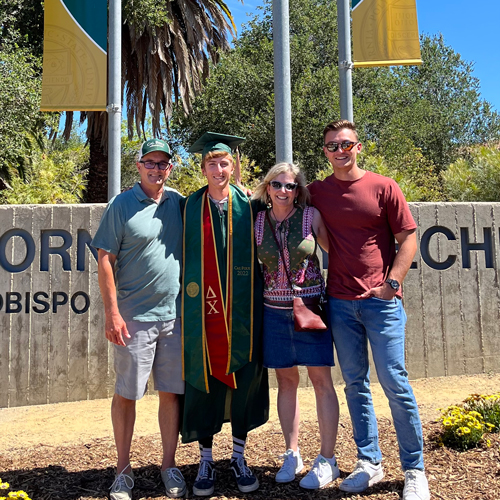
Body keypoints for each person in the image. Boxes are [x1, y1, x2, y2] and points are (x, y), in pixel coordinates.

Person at [308, 119, 430, 500]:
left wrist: (392, 284)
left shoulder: (383, 186)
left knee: (396, 383)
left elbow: (408, 237)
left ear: (358, 147)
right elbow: (276, 197)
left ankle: (414, 470)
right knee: (355, 385)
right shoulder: (316, 192)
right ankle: (369, 462)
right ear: (325, 151)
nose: (339, 150)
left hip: (381, 305)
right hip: (341, 303)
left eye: (346, 144)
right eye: (332, 145)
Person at [92, 139, 186, 500]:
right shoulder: (121, 204)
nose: (156, 169)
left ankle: (168, 465)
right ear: (138, 165)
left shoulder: (178, 202)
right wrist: (113, 313)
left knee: (170, 394)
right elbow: (104, 259)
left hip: (175, 317)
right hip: (134, 318)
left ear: (170, 168)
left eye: (163, 163)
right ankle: (122, 469)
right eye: (150, 162)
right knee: (127, 394)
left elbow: (219, 206)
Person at [181, 132, 269, 496]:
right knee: (203, 382)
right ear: (202, 168)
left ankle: (238, 456)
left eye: (224, 163)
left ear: (234, 166)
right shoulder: (186, 207)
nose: (218, 169)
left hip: (245, 314)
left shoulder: (252, 205)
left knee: (245, 379)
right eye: (211, 164)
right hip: (202, 317)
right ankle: (205, 460)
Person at [252, 163, 341, 490]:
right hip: (273, 312)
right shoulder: (258, 221)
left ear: (298, 189)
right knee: (286, 381)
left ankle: (327, 458)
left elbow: (336, 250)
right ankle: (292, 453)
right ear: (268, 187)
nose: (283, 191)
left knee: (321, 381)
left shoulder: (310, 217)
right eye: (277, 185)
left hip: (310, 309)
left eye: (290, 186)